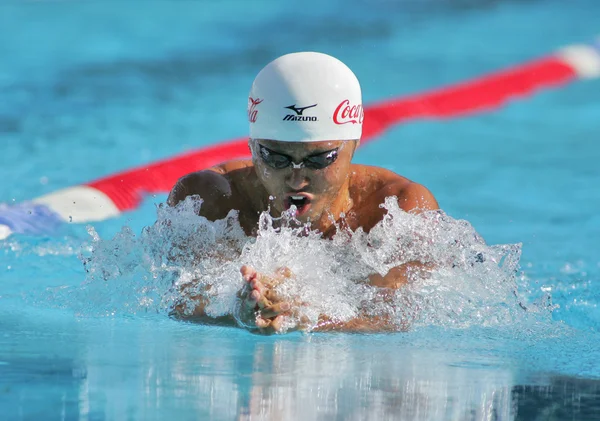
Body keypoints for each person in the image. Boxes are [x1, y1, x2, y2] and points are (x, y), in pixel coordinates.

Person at [167, 52, 439, 333]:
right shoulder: (209, 199)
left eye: (319, 159)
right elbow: (182, 300)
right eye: (276, 158)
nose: (296, 180)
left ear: (354, 145)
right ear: (251, 147)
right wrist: (237, 311)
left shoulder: (394, 208)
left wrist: (308, 317)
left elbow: (394, 317)